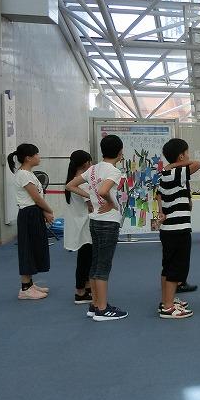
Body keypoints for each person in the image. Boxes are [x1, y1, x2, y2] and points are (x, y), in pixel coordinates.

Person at [67, 135, 127, 321]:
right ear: (120, 152)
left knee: (95, 263)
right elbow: (103, 191)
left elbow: (70, 185)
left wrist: (91, 197)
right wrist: (110, 202)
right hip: (108, 222)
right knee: (103, 265)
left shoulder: (93, 169)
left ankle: (95, 305)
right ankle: (102, 309)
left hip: (94, 220)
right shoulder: (114, 171)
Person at [157, 138, 200, 319]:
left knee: (168, 267)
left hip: (168, 229)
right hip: (178, 228)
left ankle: (166, 300)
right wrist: (176, 164)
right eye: (187, 153)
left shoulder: (164, 174)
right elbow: (198, 164)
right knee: (176, 268)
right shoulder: (177, 171)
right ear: (181, 156)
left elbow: (159, 195)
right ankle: (168, 307)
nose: (189, 156)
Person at [9, 143, 53, 300]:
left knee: (34, 248)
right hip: (29, 213)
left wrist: (43, 211)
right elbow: (36, 198)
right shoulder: (24, 175)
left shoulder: (28, 173)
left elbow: (37, 197)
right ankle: (25, 288)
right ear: (28, 158)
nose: (39, 157)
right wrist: (49, 211)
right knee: (28, 248)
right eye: (36, 154)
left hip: (33, 212)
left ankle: (29, 284)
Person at [64, 150, 94, 305]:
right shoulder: (81, 182)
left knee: (85, 258)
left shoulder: (72, 179)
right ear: (86, 163)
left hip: (79, 224)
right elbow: (91, 205)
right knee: (85, 260)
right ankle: (80, 292)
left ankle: (87, 288)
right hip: (85, 225)